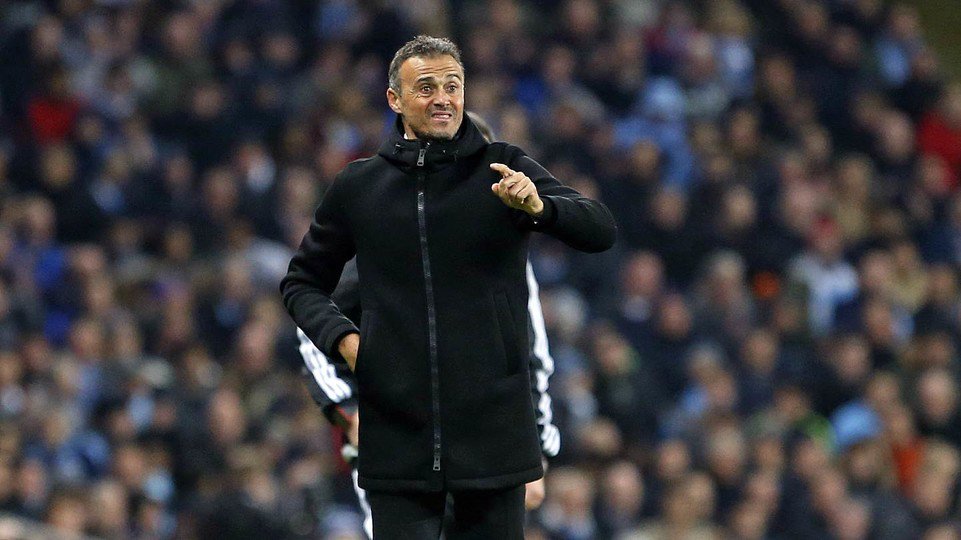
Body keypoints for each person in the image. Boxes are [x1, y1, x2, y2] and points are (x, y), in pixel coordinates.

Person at [280, 35, 616, 538]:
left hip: (495, 442)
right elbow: (302, 283)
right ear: (394, 99)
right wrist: (347, 343)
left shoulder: (504, 167)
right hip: (398, 443)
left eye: (453, 86)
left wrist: (542, 208)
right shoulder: (359, 186)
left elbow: (600, 229)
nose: (442, 98)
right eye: (426, 87)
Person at [298, 112, 560, 539]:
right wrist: (349, 411)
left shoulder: (509, 260)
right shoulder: (391, 249)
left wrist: (538, 451)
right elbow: (312, 315)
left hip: (485, 445)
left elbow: (530, 359)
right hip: (400, 443)